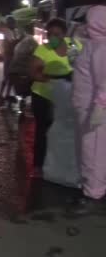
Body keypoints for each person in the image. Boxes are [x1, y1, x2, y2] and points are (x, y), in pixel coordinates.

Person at [30, 19, 78, 172]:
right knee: (43, 130)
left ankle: (59, 165)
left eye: (57, 34)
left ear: (65, 34)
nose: (53, 38)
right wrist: (52, 80)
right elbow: (33, 72)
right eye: (50, 34)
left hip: (66, 96)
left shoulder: (74, 45)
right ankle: (39, 164)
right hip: (43, 95)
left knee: (64, 130)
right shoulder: (43, 49)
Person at [72, 5, 106, 214]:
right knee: (92, 152)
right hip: (87, 109)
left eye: (88, 20)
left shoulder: (102, 47)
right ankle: (93, 188)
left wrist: (99, 110)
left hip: (95, 113)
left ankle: (93, 194)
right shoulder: (94, 45)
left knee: (94, 153)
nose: (84, 25)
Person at [8, 22, 39, 110]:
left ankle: (24, 102)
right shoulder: (32, 41)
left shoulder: (21, 42)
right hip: (24, 73)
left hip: (13, 72)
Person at [0, 16, 21, 107]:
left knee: (11, 78)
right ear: (9, 23)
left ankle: (6, 95)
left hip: (13, 56)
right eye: (13, 23)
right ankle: (0, 96)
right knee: (6, 77)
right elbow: (12, 42)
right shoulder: (7, 31)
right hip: (9, 56)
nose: (15, 24)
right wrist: (20, 40)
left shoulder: (14, 31)